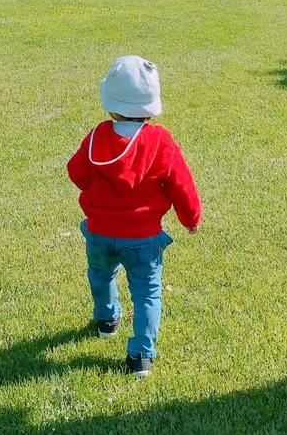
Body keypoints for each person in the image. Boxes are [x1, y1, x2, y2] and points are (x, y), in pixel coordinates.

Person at [67, 56, 201, 378]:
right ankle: (141, 355)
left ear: (110, 105)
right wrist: (191, 217)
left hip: (99, 232)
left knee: (101, 275)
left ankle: (107, 320)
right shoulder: (161, 142)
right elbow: (182, 185)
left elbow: (76, 173)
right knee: (147, 291)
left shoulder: (97, 137)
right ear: (150, 107)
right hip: (142, 238)